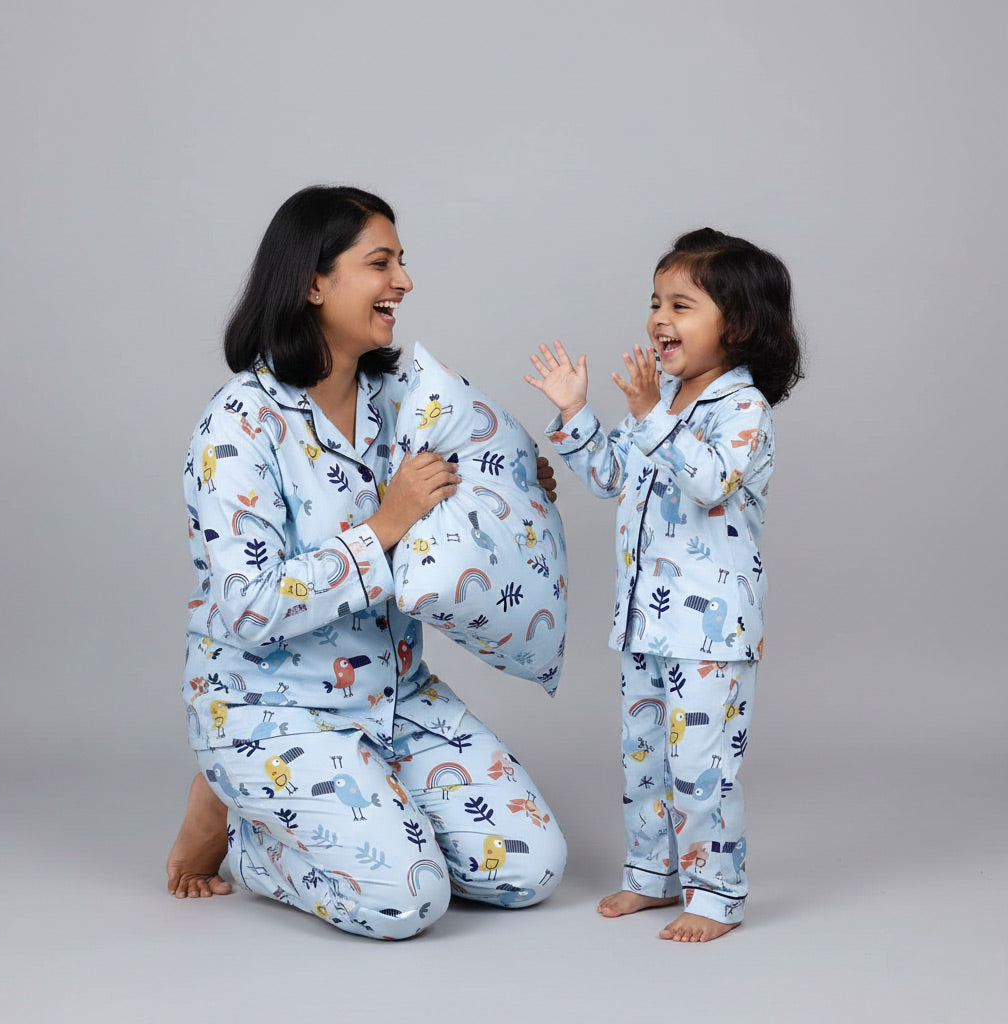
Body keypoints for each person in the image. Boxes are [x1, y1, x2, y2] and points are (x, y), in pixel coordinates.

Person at [167, 186, 567, 939]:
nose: (404, 282)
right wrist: (385, 524)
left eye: (402, 263)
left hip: (397, 697)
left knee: (531, 868)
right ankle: (246, 831)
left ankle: (361, 811)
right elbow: (249, 606)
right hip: (270, 707)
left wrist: (517, 489)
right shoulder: (238, 425)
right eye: (380, 263)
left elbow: (468, 497)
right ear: (314, 282)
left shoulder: (403, 401)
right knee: (406, 903)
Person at [525, 228, 802, 942]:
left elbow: (709, 485)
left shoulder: (745, 412)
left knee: (702, 768)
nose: (659, 319)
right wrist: (574, 414)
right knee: (643, 760)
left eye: (681, 304)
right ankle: (652, 877)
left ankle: (716, 894)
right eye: (655, 302)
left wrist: (651, 417)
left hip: (711, 633)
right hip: (645, 624)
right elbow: (612, 477)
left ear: (736, 326)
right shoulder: (667, 400)